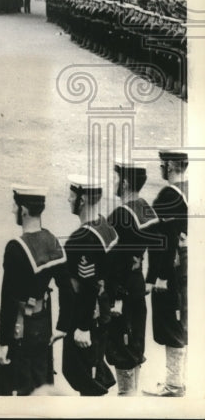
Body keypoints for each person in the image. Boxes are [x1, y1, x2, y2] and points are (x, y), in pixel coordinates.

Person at [0, 185, 67, 396]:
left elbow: (7, 301)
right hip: (43, 327)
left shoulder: (15, 248)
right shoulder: (52, 240)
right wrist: (62, 326)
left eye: (14, 206)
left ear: (23, 210)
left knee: (14, 392)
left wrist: (2, 342)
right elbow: (67, 288)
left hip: (20, 331)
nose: (12, 210)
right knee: (41, 386)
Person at [54, 174, 118, 396]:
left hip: (87, 317)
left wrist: (83, 327)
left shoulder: (81, 239)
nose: (69, 200)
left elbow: (87, 285)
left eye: (72, 196)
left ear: (81, 200)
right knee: (92, 371)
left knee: (81, 376)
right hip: (103, 312)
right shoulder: (106, 226)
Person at [106, 159, 158, 396]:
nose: (114, 183)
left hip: (122, 293)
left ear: (125, 182)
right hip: (138, 286)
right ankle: (133, 398)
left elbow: (113, 263)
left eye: (117, 178)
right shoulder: (147, 209)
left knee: (122, 351)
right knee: (135, 347)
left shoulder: (119, 215)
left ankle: (127, 402)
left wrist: (113, 300)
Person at [143, 149, 188, 397]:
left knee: (170, 324)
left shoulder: (168, 196)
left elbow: (165, 239)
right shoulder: (192, 191)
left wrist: (157, 276)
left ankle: (173, 384)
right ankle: (179, 380)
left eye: (163, 164)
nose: (160, 168)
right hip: (189, 267)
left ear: (170, 166)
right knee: (183, 322)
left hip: (171, 270)